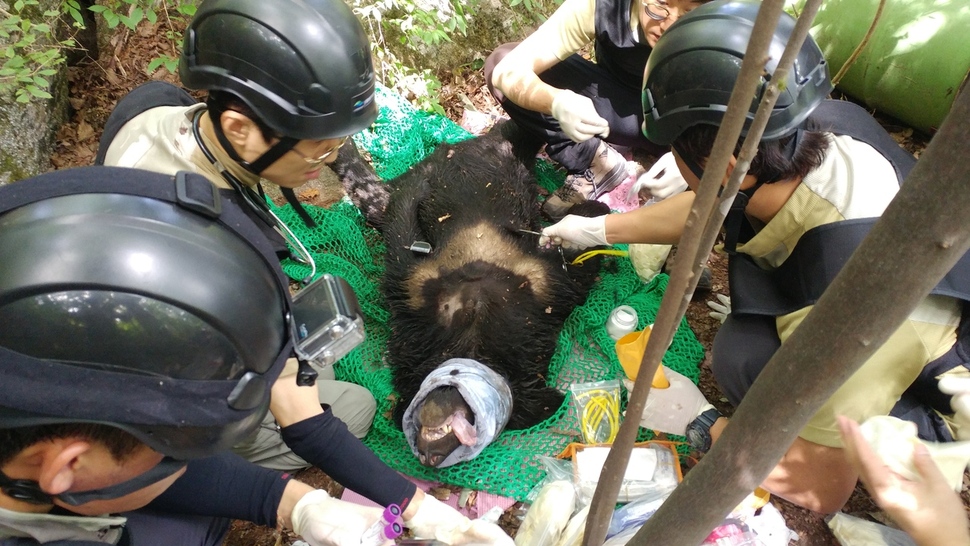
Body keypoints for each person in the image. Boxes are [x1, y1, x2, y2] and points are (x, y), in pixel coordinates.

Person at [539, 0, 970, 513]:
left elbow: (823, 487)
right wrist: (599, 228)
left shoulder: (853, 302)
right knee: (741, 353)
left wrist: (701, 423)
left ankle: (905, 435)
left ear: (722, 167)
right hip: (873, 307)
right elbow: (713, 204)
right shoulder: (820, 125)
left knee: (753, 371)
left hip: (937, 396)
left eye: (674, 150)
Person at [0, 166, 508, 545]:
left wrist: (294, 503)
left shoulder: (57, 436)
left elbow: (128, 470)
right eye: (174, 450)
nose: (188, 462)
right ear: (65, 466)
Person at [485, 0, 712, 219]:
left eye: (689, 13)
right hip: (619, 105)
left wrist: (693, 157)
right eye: (661, 4)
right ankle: (595, 160)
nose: (668, 24)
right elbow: (509, 70)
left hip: (683, 124)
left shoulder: (723, 27)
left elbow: (737, 112)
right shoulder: (603, 6)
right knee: (500, 60)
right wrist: (556, 101)